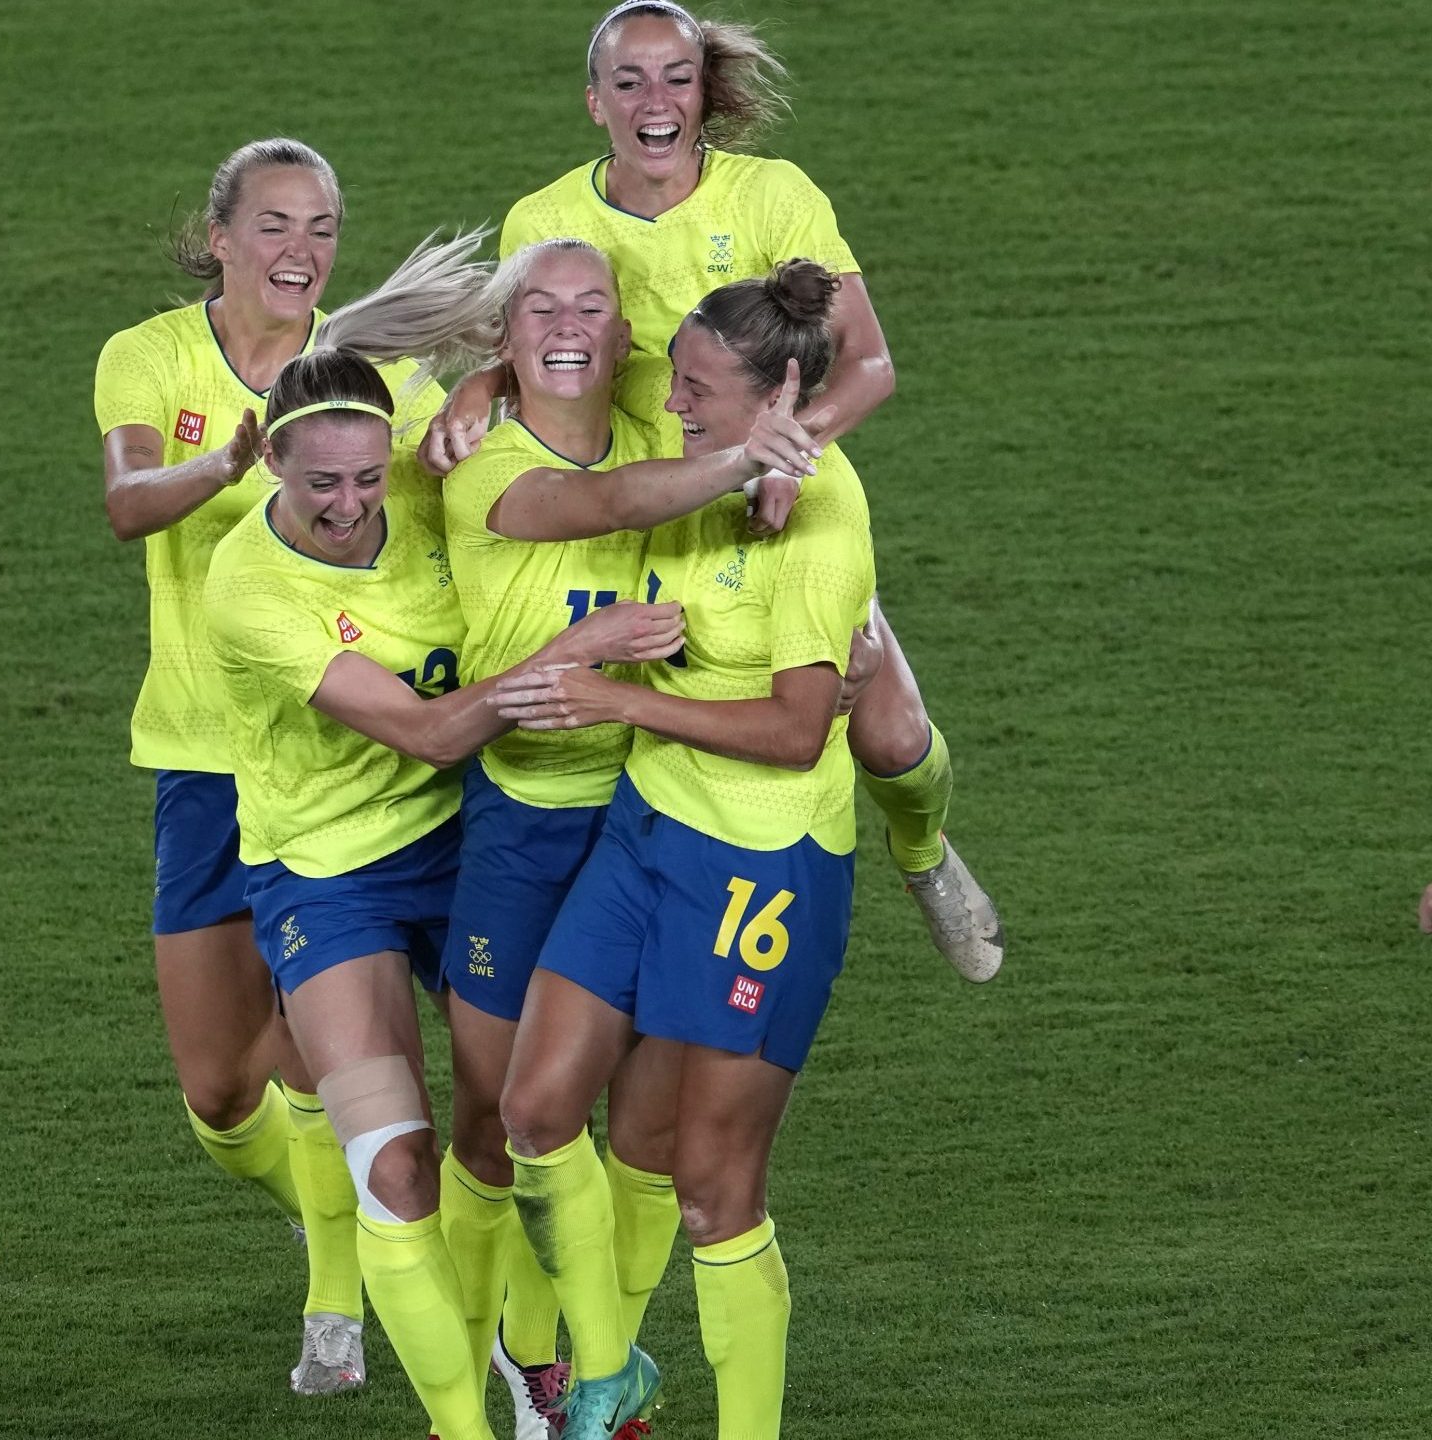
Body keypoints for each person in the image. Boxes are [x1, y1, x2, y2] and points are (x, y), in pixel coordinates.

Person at [204, 236, 814, 1440]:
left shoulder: (425, 449)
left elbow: (555, 383)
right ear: (270, 461)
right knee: (401, 1166)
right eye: (321, 485)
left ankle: (555, 1369)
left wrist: (486, 379)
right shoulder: (251, 588)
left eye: (366, 479)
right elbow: (432, 732)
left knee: (529, 1127)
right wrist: (576, 654)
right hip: (333, 870)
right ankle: (464, 1426)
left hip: (475, 828)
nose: (351, 505)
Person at [426, 0, 1004, 989]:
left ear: (702, 92)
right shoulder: (544, 218)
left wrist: (783, 455)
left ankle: (922, 854)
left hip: (786, 477)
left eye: (676, 78)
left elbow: (869, 364)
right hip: (645, 488)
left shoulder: (774, 195)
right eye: (629, 82)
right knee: (675, 689)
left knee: (889, 729)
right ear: (595, 102)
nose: (654, 101)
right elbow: (529, 339)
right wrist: (480, 386)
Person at [431, 234, 818, 1429]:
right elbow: (601, 503)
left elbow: (775, 379)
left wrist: (774, 456)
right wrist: (747, 458)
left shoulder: (669, 413)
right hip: (522, 824)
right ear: (504, 336)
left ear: (624, 332)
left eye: (589, 306)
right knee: (501, 1120)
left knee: (642, 1140)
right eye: (538, 309)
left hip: (653, 820)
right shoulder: (483, 465)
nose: (566, 325)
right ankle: (506, 1367)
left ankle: (593, 1373)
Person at [94, 137, 443, 1395]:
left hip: (337, 762)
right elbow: (129, 502)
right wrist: (230, 463)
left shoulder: (370, 375)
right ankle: (336, 1212)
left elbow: (445, 490)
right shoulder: (149, 355)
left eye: (323, 228)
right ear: (223, 237)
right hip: (202, 758)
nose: (303, 251)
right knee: (218, 1096)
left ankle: (337, 1307)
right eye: (277, 225)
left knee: (319, 1046)